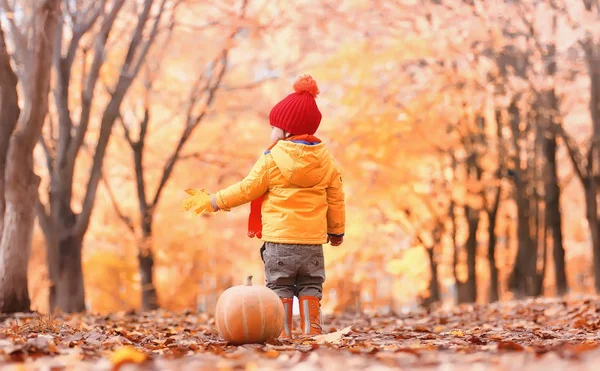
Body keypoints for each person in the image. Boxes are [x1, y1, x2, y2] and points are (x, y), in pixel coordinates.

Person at [182, 75, 346, 338]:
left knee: (279, 286)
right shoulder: (327, 161)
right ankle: (312, 329)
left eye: (275, 126)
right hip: (312, 242)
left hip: (279, 242)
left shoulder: (271, 159)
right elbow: (336, 198)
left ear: (285, 130)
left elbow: (246, 189)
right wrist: (336, 232)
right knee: (310, 285)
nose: (272, 131)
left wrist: (213, 201)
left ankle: (281, 332)